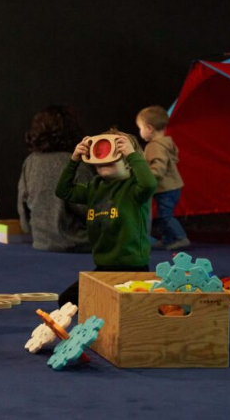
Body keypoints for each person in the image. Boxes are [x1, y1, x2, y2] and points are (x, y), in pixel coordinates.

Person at [55, 129, 157, 306]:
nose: (103, 165)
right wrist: (74, 160)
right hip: (103, 268)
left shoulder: (135, 188)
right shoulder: (95, 187)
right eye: (99, 165)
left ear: (128, 163)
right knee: (68, 300)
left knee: (132, 306)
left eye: (111, 162)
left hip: (134, 268)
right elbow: (63, 190)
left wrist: (132, 154)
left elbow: (150, 184)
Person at [18, 105, 93, 253]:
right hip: (78, 244)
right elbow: (89, 207)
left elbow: (23, 206)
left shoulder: (30, 161)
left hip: (41, 243)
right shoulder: (74, 163)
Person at [136, 105, 189, 251]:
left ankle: (181, 238)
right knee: (163, 215)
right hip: (171, 188)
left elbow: (159, 166)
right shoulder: (166, 143)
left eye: (140, 128)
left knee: (165, 216)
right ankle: (167, 240)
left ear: (149, 128)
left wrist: (148, 177)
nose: (140, 132)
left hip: (166, 188)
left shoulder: (155, 146)